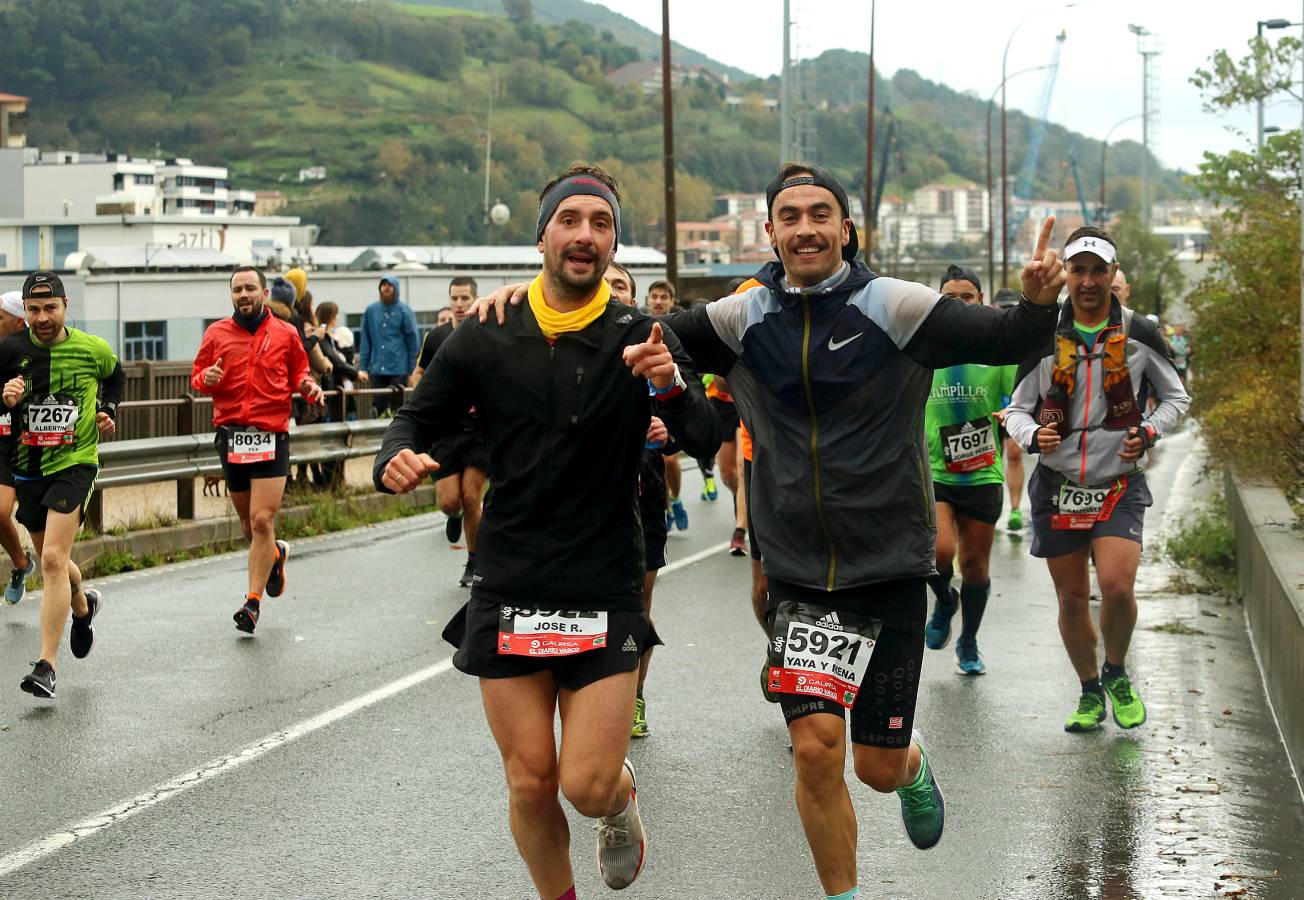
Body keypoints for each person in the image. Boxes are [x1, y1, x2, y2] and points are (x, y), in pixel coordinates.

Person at [476, 162, 1065, 900]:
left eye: (820, 214)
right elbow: (619, 330)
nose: (806, 228)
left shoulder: (898, 306)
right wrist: (521, 303)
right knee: (815, 750)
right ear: (771, 232)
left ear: (846, 229)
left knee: (874, 768)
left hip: (886, 563)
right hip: (795, 571)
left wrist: (1037, 301)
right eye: (790, 216)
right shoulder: (741, 318)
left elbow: (1008, 336)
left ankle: (910, 763)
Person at [376, 163, 720, 898]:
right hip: (510, 579)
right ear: (542, 237)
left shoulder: (642, 335)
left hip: (602, 581)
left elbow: (705, 435)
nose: (585, 235)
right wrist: (392, 457)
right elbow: (415, 418)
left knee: (586, 784)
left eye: (601, 224)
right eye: (570, 220)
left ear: (614, 246)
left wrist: (668, 386)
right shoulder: (487, 331)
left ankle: (619, 801)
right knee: (530, 781)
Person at [1005, 226, 1189, 734]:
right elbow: (1015, 409)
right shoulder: (1044, 335)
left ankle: (1116, 671)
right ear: (1066, 274)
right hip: (1060, 484)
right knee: (1070, 599)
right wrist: (1033, 434)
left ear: (1113, 274)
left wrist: (1147, 431)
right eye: (1078, 270)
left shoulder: (1139, 333)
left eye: (1098, 271)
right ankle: (1089, 690)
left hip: (1117, 483)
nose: (1088, 281)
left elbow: (1176, 398)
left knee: (1117, 588)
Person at [3, 272, 122, 699]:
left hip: (75, 463)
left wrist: (108, 409)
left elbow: (116, 375)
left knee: (52, 559)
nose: (42, 318)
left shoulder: (92, 348)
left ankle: (46, 666)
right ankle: (83, 607)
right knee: (54, 559)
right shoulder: (10, 351)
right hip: (28, 470)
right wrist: (5, 398)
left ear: (65, 305)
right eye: (34, 310)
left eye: (50, 308)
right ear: (25, 311)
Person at [191, 266, 323, 635]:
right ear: (231, 295)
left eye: (250, 288)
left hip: (271, 435)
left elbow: (300, 373)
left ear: (264, 293)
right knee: (250, 527)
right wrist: (207, 379)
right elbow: (198, 376)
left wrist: (307, 387)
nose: (243, 295)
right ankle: (275, 555)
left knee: (263, 519)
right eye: (237, 290)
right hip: (232, 436)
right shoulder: (216, 333)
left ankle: (251, 603)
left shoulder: (286, 333)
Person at [921, 265, 1016, 676]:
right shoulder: (923, 349)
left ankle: (969, 640)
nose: (959, 305)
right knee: (937, 553)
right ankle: (945, 601)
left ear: (981, 302)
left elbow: (1020, 397)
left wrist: (1013, 412)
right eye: (950, 298)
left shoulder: (996, 353)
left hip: (981, 474)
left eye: (967, 298)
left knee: (975, 567)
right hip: (934, 473)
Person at [413, 276, 488, 587]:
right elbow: (419, 374)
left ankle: (474, 561)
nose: (459, 304)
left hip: (480, 428)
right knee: (449, 501)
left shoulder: (488, 332)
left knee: (471, 496)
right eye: (454, 298)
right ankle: (453, 516)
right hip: (446, 428)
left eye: (464, 298)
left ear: (475, 298)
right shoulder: (436, 337)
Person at [644, 281, 689, 532]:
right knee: (652, 460)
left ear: (672, 301)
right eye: (654, 296)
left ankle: (676, 498)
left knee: (670, 460)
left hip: (670, 399)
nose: (659, 301)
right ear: (647, 300)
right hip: (646, 401)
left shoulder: (679, 330)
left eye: (664, 297)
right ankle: (665, 507)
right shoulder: (636, 326)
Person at [0, 291, 36, 605]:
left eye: (0, 317)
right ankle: (22, 564)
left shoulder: (33, 353)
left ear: (18, 322)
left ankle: (78, 601)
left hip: (29, 444)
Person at [359, 275, 419, 417]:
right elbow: (366, 341)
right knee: (378, 406)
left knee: (397, 408)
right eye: (383, 285)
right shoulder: (371, 311)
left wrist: (413, 371)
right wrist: (363, 367)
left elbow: (413, 342)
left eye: (390, 285)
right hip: (377, 369)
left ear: (396, 288)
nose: (386, 288)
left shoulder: (405, 311)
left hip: (399, 369)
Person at [992, 288, 1026, 531]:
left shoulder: (1024, 336)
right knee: (990, 458)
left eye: (1010, 308)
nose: (1005, 313)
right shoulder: (985, 335)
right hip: (989, 408)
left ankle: (1015, 509)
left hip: (1014, 406)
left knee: (1014, 454)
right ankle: (991, 510)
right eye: (1001, 308)